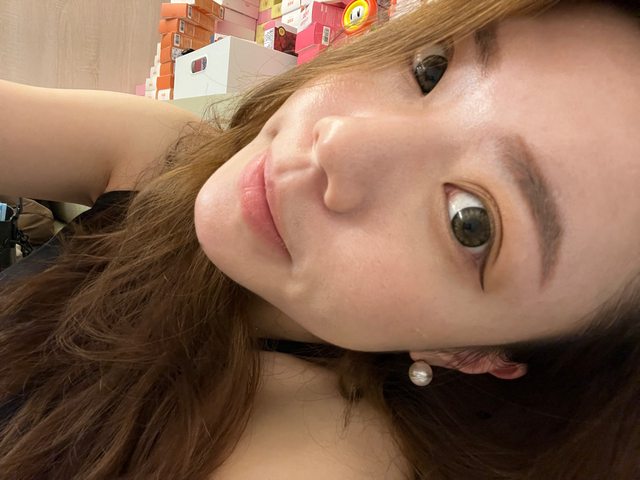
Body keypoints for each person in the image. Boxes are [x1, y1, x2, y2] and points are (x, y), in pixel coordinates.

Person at [0, 0, 638, 478]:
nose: (339, 139)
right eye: (431, 68)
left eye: (470, 221)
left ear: (471, 354)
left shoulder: (321, 455)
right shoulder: (161, 155)